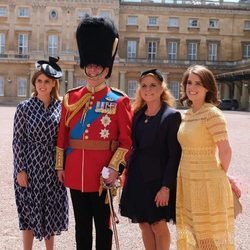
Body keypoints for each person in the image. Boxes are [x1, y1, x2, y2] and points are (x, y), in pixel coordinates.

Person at [55, 15, 132, 250]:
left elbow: (127, 141)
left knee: (103, 226)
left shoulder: (118, 100)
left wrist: (113, 169)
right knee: (81, 226)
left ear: (105, 68)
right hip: (75, 172)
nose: (92, 69)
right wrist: (60, 165)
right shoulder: (71, 98)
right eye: (89, 65)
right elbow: (63, 135)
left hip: (102, 175)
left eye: (97, 65)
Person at [120, 69, 182, 250]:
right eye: (144, 86)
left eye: (153, 85)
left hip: (158, 180)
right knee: (144, 224)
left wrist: (166, 187)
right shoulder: (137, 114)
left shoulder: (171, 116)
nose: (148, 89)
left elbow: (174, 155)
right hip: (137, 178)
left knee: (158, 224)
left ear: (162, 88)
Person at [176, 64, 236, 249]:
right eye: (189, 83)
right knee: (192, 232)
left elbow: (226, 151)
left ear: (208, 87)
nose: (192, 88)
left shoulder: (212, 114)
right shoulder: (186, 115)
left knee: (207, 235)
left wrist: (216, 176)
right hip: (186, 179)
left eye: (198, 84)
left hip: (207, 182)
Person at [12, 57, 69, 250]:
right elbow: (18, 141)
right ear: (34, 83)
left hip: (52, 167)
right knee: (28, 213)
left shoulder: (61, 108)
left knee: (50, 213)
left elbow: (64, 140)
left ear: (54, 83)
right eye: (39, 81)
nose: (42, 85)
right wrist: (20, 169)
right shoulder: (24, 108)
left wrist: (63, 166)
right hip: (30, 166)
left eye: (46, 81)